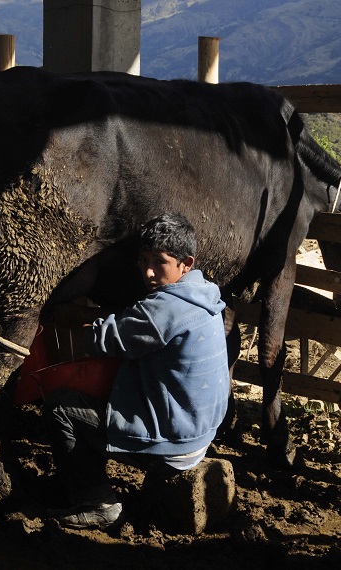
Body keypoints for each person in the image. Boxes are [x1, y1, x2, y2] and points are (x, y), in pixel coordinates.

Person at [43, 213, 231, 530]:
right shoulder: (205, 294)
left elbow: (101, 340)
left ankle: (99, 504)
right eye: (143, 260)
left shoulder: (162, 310)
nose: (148, 272)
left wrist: (75, 318)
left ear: (186, 263)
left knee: (60, 408)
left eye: (160, 262)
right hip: (201, 433)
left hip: (174, 445)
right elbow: (141, 322)